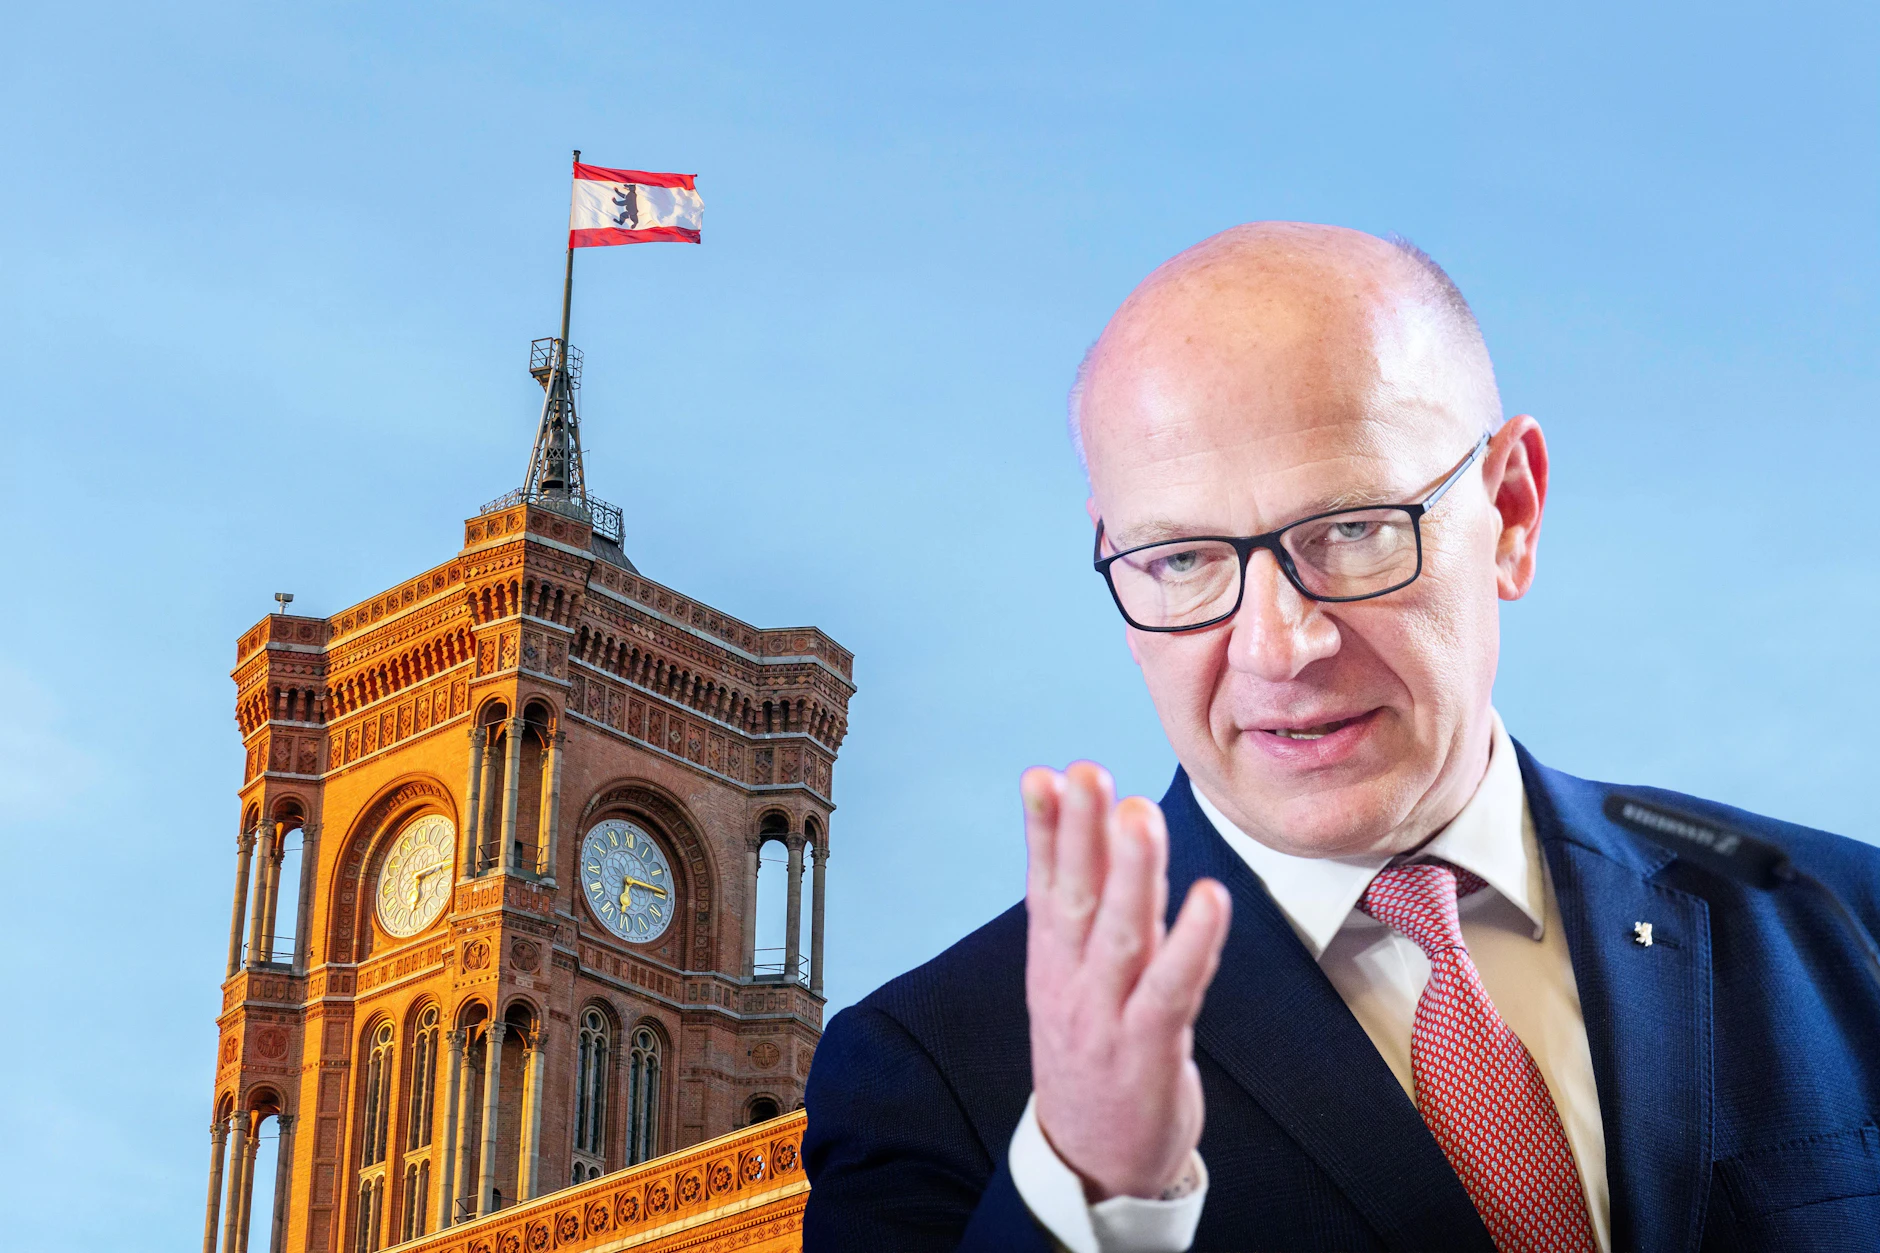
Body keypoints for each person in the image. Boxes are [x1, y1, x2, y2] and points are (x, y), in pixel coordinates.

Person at [801, 223, 1880, 1252]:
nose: (1278, 645)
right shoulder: (937, 1069)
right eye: (1181, 560)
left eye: (1354, 531)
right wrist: (1089, 1202)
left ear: (1510, 511)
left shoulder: (1843, 926)